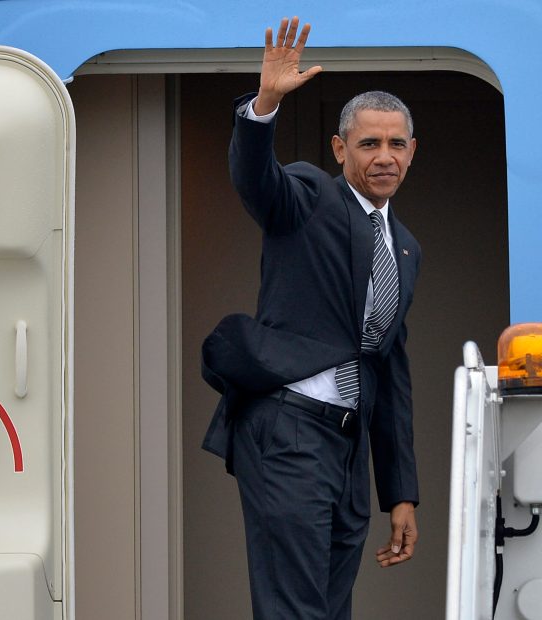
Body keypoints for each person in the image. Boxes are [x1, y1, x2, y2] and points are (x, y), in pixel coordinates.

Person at [200, 16, 420, 620]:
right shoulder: (310, 195)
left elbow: (389, 371)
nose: (384, 156)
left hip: (347, 447)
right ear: (340, 149)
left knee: (329, 608)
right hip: (288, 429)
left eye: (395, 144)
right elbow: (257, 181)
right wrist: (264, 106)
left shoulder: (405, 247)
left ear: (412, 152)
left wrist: (400, 493)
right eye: (368, 144)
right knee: (294, 610)